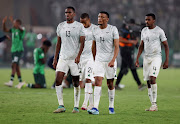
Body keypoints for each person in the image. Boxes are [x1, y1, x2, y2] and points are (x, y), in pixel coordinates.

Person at [53, 6, 85, 113]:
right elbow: (58, 43)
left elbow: (82, 42)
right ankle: (61, 105)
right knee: (58, 80)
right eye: (66, 12)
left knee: (76, 83)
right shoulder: (61, 26)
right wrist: (55, 58)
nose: (67, 14)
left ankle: (76, 106)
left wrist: (79, 56)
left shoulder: (79, 26)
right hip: (63, 57)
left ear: (74, 14)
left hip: (75, 59)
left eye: (69, 12)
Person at [135, 13, 169, 111]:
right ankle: (152, 105)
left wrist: (166, 60)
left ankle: (154, 104)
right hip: (146, 58)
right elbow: (141, 45)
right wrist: (137, 59)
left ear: (153, 20)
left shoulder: (159, 31)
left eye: (148, 19)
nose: (146, 21)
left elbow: (166, 45)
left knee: (152, 78)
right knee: (148, 81)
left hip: (156, 57)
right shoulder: (144, 31)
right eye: (146, 20)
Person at [87, 11, 119, 115]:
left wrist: (113, 60)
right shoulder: (95, 30)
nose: (99, 18)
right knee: (98, 81)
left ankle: (111, 106)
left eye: (102, 17)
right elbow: (93, 46)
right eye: (99, 17)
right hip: (99, 60)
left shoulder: (113, 29)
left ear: (107, 19)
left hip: (110, 60)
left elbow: (117, 46)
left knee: (110, 84)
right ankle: (95, 107)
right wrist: (94, 59)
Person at [115, 19, 147, 90]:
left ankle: (116, 85)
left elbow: (135, 41)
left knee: (123, 69)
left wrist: (136, 43)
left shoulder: (132, 31)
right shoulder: (123, 30)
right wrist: (131, 41)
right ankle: (139, 84)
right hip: (125, 50)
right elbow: (119, 39)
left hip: (129, 50)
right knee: (132, 68)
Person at [79, 13, 97, 111]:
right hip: (82, 58)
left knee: (88, 79)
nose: (83, 24)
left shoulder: (95, 29)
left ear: (88, 20)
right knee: (82, 81)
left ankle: (85, 103)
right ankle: (91, 103)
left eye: (84, 22)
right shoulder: (79, 29)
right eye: (81, 22)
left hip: (91, 57)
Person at [2, 16, 26, 87]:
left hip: (18, 50)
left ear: (18, 24)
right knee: (17, 66)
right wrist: (3, 23)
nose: (13, 24)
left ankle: (11, 81)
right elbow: (5, 30)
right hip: (13, 50)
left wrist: (15, 23)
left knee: (14, 65)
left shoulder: (22, 29)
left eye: (15, 23)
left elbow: (21, 29)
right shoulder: (13, 30)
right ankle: (20, 82)